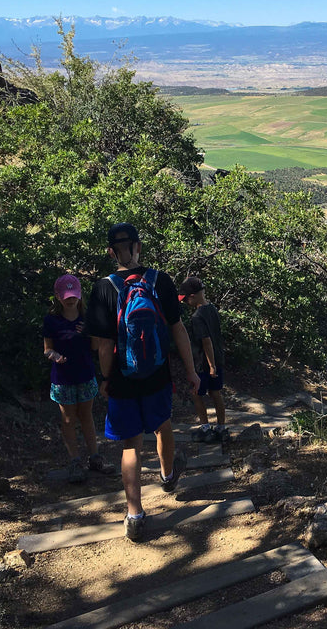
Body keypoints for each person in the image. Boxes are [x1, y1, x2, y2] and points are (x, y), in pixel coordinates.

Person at [86, 223, 201, 542]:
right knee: (163, 425)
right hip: (157, 374)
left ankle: (134, 514)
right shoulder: (160, 281)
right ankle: (167, 476)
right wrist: (191, 371)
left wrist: (107, 379)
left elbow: (105, 345)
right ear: (139, 247)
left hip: (123, 380)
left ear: (111, 252)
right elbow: (178, 329)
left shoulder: (103, 288)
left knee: (130, 445)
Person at [43, 274, 114, 483]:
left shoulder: (87, 317)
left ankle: (95, 458)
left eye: (73, 295)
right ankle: (75, 461)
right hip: (62, 378)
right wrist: (54, 356)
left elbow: (94, 347)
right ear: (58, 296)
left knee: (86, 416)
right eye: (66, 296)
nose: (70, 299)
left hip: (85, 374)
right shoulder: (51, 320)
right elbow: (47, 349)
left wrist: (90, 332)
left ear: (79, 294)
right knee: (68, 420)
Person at [178, 277, 227, 444]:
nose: (184, 302)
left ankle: (205, 428)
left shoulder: (197, 317)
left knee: (197, 394)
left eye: (185, 299)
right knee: (216, 393)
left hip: (203, 363)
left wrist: (211, 365)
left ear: (192, 296)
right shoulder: (212, 309)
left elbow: (206, 341)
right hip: (218, 359)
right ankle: (221, 428)